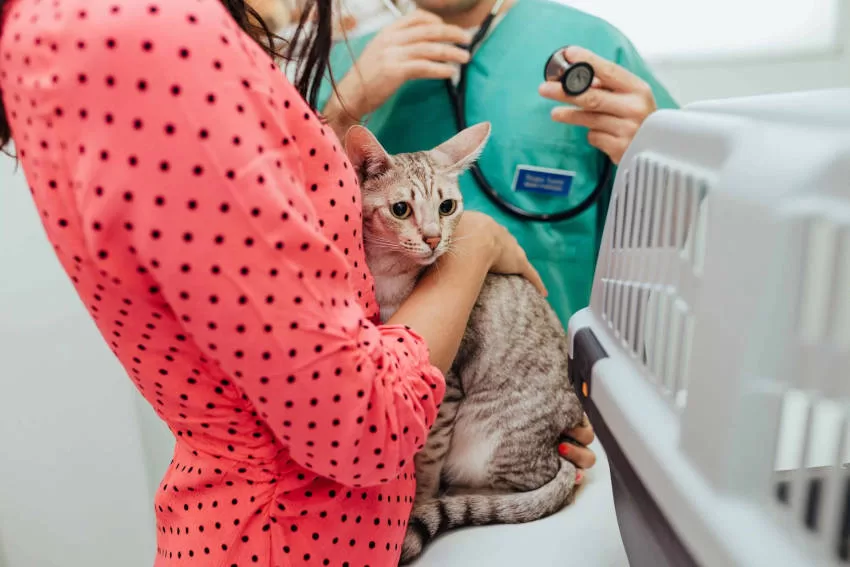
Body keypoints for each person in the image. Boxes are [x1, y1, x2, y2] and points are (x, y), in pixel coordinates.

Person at [0, 0, 594, 564]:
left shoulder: (77, 31)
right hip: (292, 534)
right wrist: (476, 249)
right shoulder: (149, 37)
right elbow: (359, 423)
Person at [320, 0, 678, 330]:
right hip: (374, 381)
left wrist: (659, 161)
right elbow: (286, 230)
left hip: (547, 372)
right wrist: (339, 110)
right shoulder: (340, 64)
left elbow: (682, 232)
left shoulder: (593, 48)